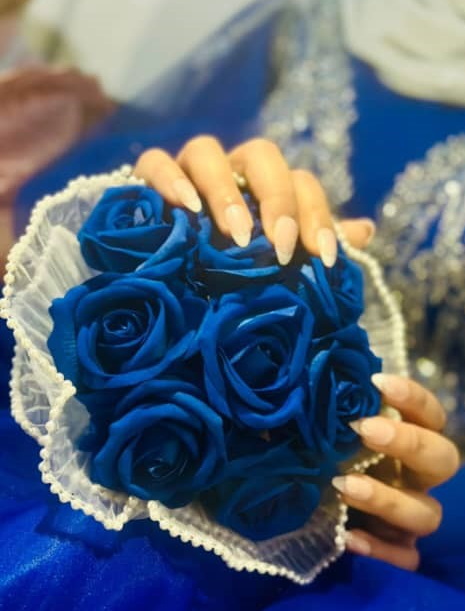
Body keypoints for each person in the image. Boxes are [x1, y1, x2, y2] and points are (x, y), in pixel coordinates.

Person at [2, 1, 465, 609]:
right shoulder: (318, 21)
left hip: (399, 512)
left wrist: (413, 488)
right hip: (162, 457)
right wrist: (186, 203)